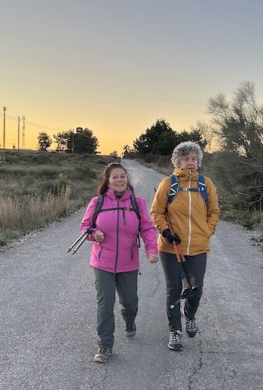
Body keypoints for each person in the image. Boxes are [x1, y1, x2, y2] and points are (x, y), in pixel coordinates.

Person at [80, 162, 159, 363]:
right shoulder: (97, 202)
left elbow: (148, 229)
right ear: (107, 181)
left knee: (130, 302)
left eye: (122, 176)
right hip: (102, 262)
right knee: (105, 304)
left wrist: (152, 250)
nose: (119, 180)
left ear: (127, 179)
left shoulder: (137, 203)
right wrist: (93, 234)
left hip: (128, 263)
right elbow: (85, 227)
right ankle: (105, 345)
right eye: (114, 177)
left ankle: (129, 320)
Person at [150, 141, 220, 351]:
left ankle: (189, 315)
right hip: (170, 247)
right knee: (173, 289)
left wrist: (207, 231)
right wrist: (165, 232)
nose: (190, 162)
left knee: (196, 289)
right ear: (178, 162)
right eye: (186, 159)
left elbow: (214, 211)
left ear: (198, 162)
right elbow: (156, 212)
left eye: (194, 159)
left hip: (198, 247)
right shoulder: (168, 183)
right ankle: (175, 331)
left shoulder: (206, 184)